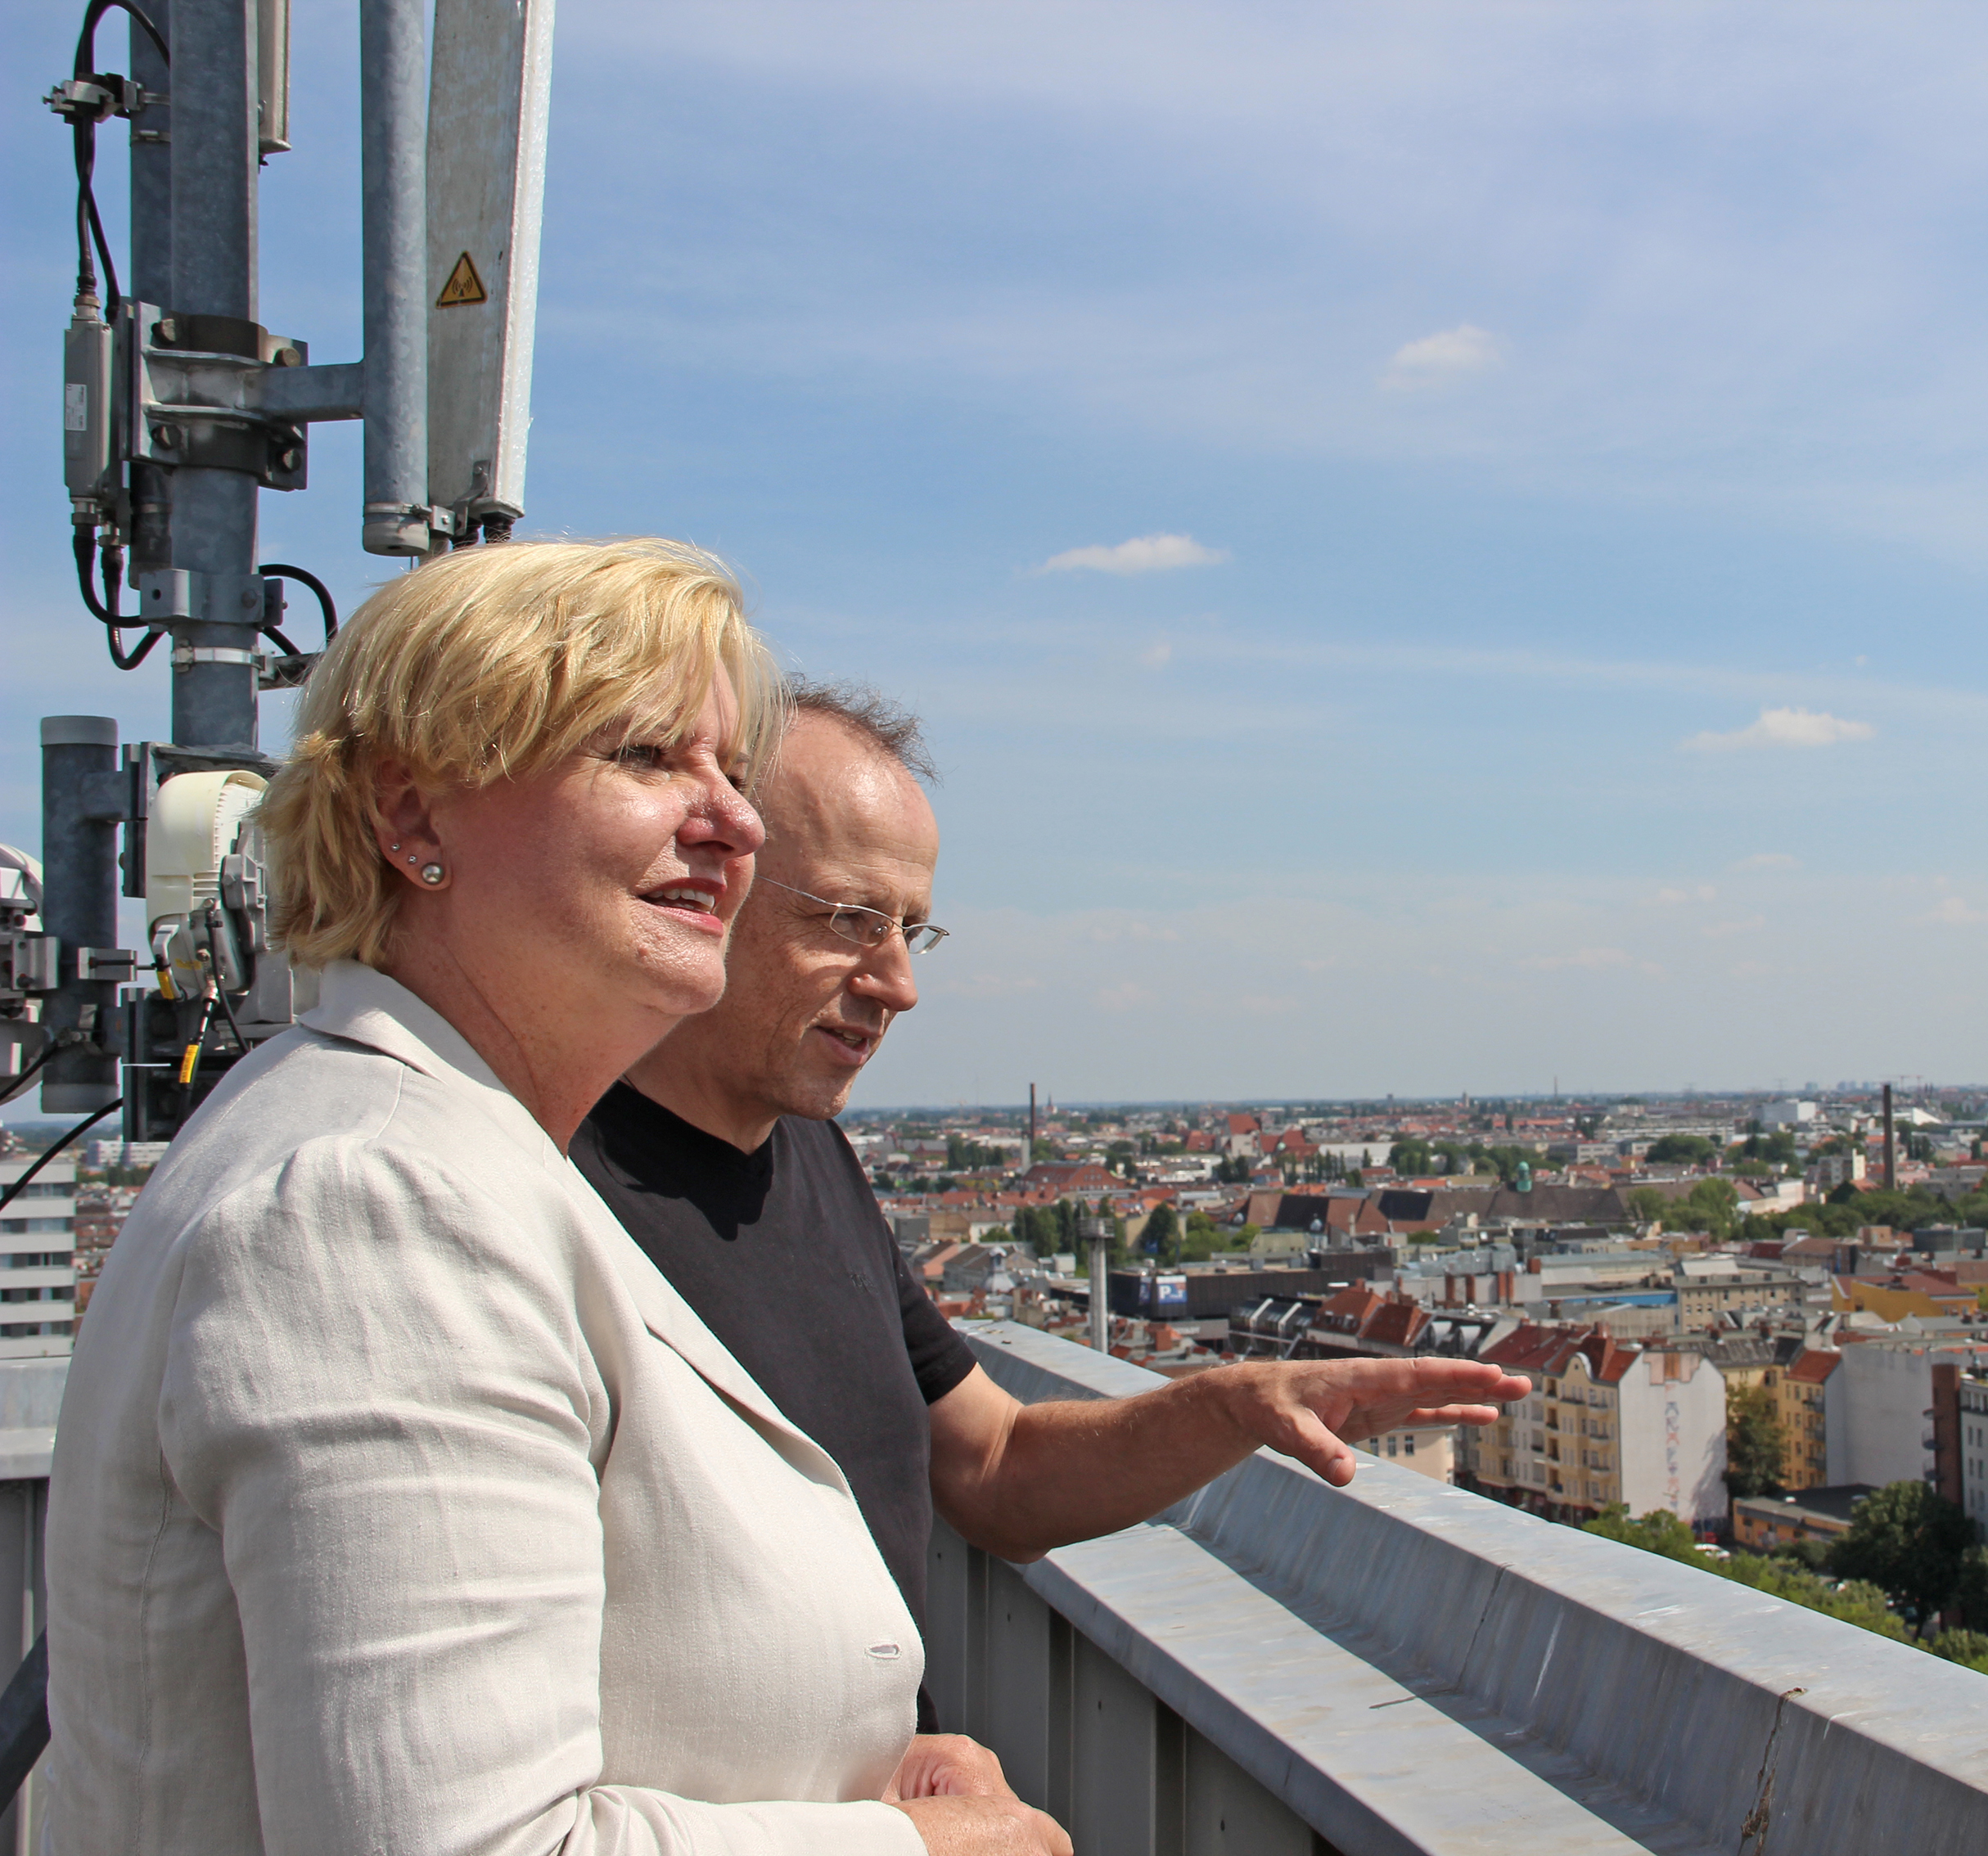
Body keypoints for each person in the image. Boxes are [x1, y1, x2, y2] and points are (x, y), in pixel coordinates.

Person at [44, 542, 1067, 1856]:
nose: (734, 823)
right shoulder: (372, 1203)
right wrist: (921, 1851)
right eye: (646, 757)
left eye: (729, 772)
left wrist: (834, 1760)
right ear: (411, 818)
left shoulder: (456, 1148)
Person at [572, 682, 1527, 1731]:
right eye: (850, 920)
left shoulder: (812, 1156)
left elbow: (994, 1469)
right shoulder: (548, 1182)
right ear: (713, 884)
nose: (898, 983)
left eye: (911, 932)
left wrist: (1229, 1407)